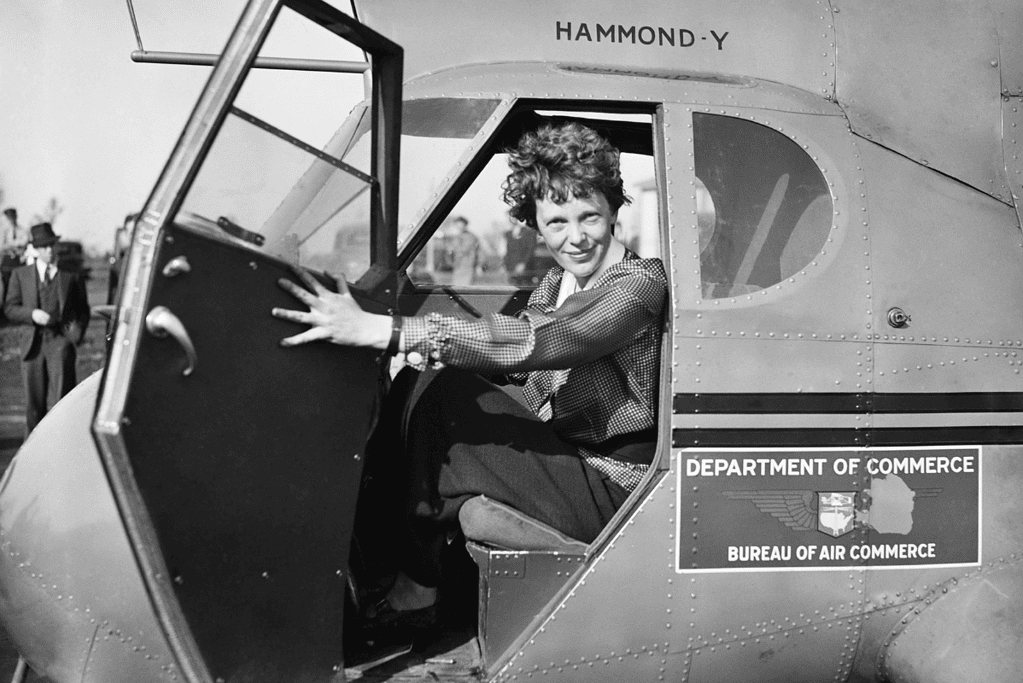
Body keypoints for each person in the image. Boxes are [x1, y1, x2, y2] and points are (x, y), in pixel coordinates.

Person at [272, 121, 666, 636]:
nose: (576, 236)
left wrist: (389, 330)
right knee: (426, 381)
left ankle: (419, 587)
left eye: (589, 215)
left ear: (614, 209)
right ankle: (375, 566)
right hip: (569, 457)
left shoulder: (637, 284)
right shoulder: (555, 282)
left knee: (449, 395)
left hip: (611, 486)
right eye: (557, 221)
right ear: (536, 224)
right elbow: (517, 367)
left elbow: (539, 341)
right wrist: (420, 357)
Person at [3, 222, 90, 435]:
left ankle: (64, 451)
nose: (49, 250)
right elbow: (10, 308)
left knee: (64, 404)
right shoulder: (21, 275)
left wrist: (74, 337)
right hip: (32, 346)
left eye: (52, 245)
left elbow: (83, 310)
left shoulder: (70, 275)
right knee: (34, 409)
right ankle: (31, 459)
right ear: (35, 249)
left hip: (60, 343)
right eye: (43, 247)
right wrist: (32, 314)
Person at [440, 215, 479, 285]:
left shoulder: (471, 237)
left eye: (461, 225)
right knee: (456, 287)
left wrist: (479, 265)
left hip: (468, 267)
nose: (459, 227)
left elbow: (466, 250)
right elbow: (449, 252)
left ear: (465, 225)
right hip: (457, 266)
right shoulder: (455, 238)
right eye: (457, 225)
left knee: (466, 288)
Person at [502, 211, 537, 286]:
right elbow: (507, 251)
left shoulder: (529, 232)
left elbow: (530, 250)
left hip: (524, 268)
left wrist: (523, 263)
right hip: (511, 267)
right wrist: (505, 265)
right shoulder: (508, 234)